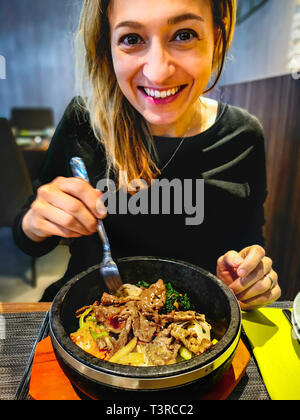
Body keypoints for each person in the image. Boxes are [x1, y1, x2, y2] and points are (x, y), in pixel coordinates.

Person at [13, 0, 281, 310]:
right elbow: (29, 241)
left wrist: (252, 276)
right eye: (131, 39)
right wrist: (35, 222)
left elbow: (249, 243)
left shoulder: (243, 136)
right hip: (86, 318)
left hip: (196, 330)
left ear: (217, 39)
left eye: (184, 34)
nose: (157, 72)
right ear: (107, 47)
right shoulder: (83, 122)